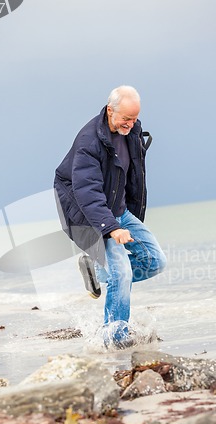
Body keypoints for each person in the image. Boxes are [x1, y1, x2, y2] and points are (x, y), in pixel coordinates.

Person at [54, 85, 167, 349]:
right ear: (109, 110)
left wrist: (127, 215)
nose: (130, 123)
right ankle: (114, 337)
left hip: (118, 209)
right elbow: (86, 191)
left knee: (155, 261)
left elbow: (132, 178)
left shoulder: (131, 134)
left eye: (134, 118)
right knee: (122, 272)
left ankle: (96, 271)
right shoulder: (89, 142)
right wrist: (111, 228)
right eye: (125, 118)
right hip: (89, 214)